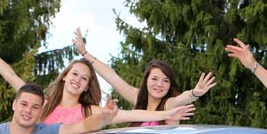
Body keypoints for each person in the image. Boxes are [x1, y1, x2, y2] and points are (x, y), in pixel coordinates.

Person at [0, 20, 195, 125]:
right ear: (65, 76)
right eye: (75, 74)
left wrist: (166, 115)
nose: (78, 79)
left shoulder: (89, 110)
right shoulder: (43, 104)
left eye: (84, 78)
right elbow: (11, 77)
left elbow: (132, 114)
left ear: (88, 86)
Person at [72, 28, 216, 124]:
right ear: (146, 80)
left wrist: (194, 93)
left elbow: (181, 99)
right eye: (154, 79)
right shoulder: (137, 98)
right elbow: (112, 77)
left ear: (170, 85)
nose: (159, 84)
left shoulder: (168, 105)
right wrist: (85, 53)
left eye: (165, 81)